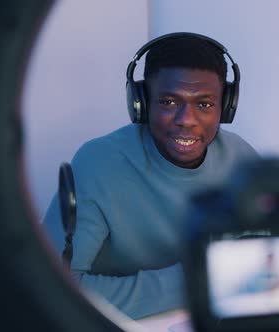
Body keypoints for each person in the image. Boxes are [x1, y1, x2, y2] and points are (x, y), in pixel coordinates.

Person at [42, 33, 259, 320]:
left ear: (226, 106)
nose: (186, 119)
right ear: (141, 103)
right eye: (169, 102)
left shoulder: (241, 159)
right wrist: (199, 278)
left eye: (204, 104)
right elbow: (55, 287)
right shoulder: (98, 162)